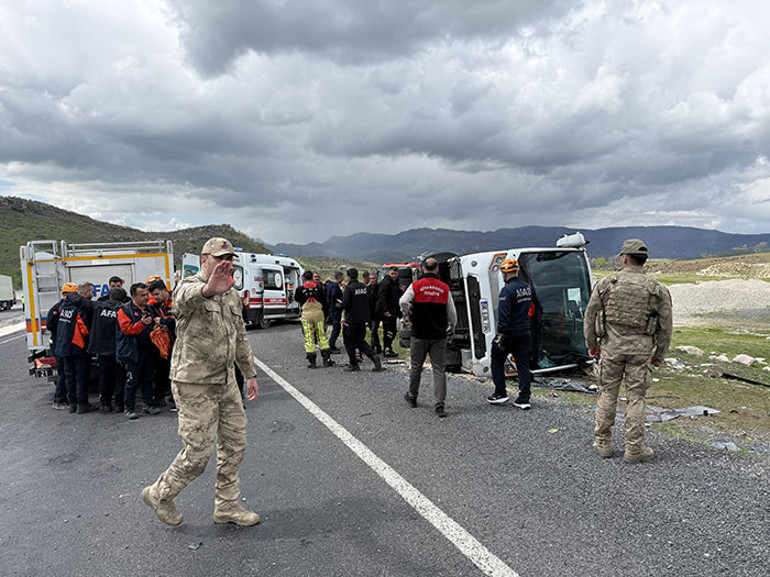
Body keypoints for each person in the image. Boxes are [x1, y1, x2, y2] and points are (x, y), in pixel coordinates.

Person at [141, 237, 260, 527]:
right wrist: (208, 290)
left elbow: (240, 336)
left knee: (235, 444)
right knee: (198, 453)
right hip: (194, 383)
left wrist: (250, 373)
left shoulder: (231, 295)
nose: (225, 263)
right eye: (220, 258)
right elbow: (183, 300)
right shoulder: (190, 286)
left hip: (225, 382)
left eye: (229, 259)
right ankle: (159, 494)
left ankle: (227, 505)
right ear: (204, 260)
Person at [584, 239, 673, 464]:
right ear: (644, 261)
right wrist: (659, 354)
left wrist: (592, 345)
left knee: (607, 393)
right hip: (641, 352)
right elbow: (666, 326)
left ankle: (603, 443)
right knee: (636, 399)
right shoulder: (657, 289)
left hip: (611, 348)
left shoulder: (606, 284)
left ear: (624, 258)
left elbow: (590, 316)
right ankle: (634, 449)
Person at [399, 258, 457, 418]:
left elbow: (403, 301)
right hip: (438, 335)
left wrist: (408, 313)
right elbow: (452, 313)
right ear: (437, 270)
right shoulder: (444, 288)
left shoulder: (416, 286)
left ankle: (412, 396)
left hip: (419, 333)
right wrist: (452, 327)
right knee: (439, 368)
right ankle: (440, 404)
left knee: (416, 366)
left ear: (422, 269)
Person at [487, 258, 534, 410]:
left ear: (504, 273)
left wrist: (500, 335)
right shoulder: (527, 288)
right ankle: (524, 398)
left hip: (510, 332)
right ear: (517, 271)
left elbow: (503, 315)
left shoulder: (507, 291)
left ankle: (500, 393)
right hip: (525, 332)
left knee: (497, 359)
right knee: (523, 365)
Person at [117, 283, 159, 419]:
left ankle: (148, 404)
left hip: (149, 350)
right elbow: (126, 330)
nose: (146, 297)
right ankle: (129, 408)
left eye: (147, 294)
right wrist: (142, 324)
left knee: (148, 379)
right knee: (132, 381)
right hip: (133, 351)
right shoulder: (125, 310)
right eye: (142, 295)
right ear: (134, 296)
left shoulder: (149, 308)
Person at [52, 282, 92, 414]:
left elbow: (53, 324)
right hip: (77, 346)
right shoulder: (79, 308)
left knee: (69, 376)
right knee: (81, 376)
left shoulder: (63, 306)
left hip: (63, 347)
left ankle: (73, 404)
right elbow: (84, 329)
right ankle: (82, 404)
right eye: (91, 292)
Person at [88, 287, 128, 412]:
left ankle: (105, 404)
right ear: (123, 299)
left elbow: (83, 303)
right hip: (118, 349)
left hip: (102, 349)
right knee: (119, 378)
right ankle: (119, 405)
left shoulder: (99, 306)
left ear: (110, 296)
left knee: (104, 377)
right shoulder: (124, 310)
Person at [342, 268, 385, 372]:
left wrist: (340, 305)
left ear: (349, 277)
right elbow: (369, 301)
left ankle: (354, 364)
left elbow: (346, 304)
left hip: (351, 320)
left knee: (349, 341)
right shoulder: (364, 288)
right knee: (360, 340)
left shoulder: (349, 289)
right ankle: (373, 356)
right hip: (362, 319)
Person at [295, 270, 333, 368]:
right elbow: (324, 301)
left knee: (309, 336)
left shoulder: (300, 289)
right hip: (318, 314)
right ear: (312, 277)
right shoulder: (319, 287)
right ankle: (326, 360)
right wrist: (327, 314)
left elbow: (296, 299)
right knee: (322, 335)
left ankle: (312, 362)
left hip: (306, 314)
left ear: (304, 278)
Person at [148, 279, 176, 409]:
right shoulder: (160, 305)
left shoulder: (175, 301)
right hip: (166, 342)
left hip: (178, 341)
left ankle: (175, 398)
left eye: (157, 294)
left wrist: (164, 321)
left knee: (174, 371)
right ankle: (160, 397)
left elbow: (179, 319)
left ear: (165, 290)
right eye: (154, 295)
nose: (156, 297)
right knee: (161, 370)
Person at [47, 284, 75, 410]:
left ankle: (64, 398)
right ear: (64, 294)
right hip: (58, 343)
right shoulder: (57, 308)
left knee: (67, 372)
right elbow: (50, 325)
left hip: (64, 344)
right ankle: (59, 400)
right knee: (63, 372)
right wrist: (61, 332)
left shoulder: (68, 307)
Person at [377, 266, 403, 357]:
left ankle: (388, 348)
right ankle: (387, 349)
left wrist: (401, 291)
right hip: (387, 312)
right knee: (388, 331)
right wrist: (385, 310)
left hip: (393, 311)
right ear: (389, 273)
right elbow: (382, 297)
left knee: (393, 331)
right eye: (392, 274)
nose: (394, 276)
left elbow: (396, 296)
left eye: (395, 274)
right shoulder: (386, 282)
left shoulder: (396, 283)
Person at [326, 271, 344, 354]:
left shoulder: (329, 285)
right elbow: (333, 295)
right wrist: (337, 303)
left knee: (335, 328)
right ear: (339, 277)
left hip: (331, 309)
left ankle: (332, 345)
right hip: (335, 311)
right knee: (336, 329)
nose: (343, 279)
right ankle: (331, 345)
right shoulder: (336, 286)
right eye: (342, 277)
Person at [367, 270, 381, 354]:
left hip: (376, 314)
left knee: (373, 331)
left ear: (376, 279)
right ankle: (378, 347)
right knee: (373, 331)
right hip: (369, 314)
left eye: (373, 278)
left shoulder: (379, 288)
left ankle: (372, 349)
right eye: (370, 279)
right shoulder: (367, 289)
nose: (372, 280)